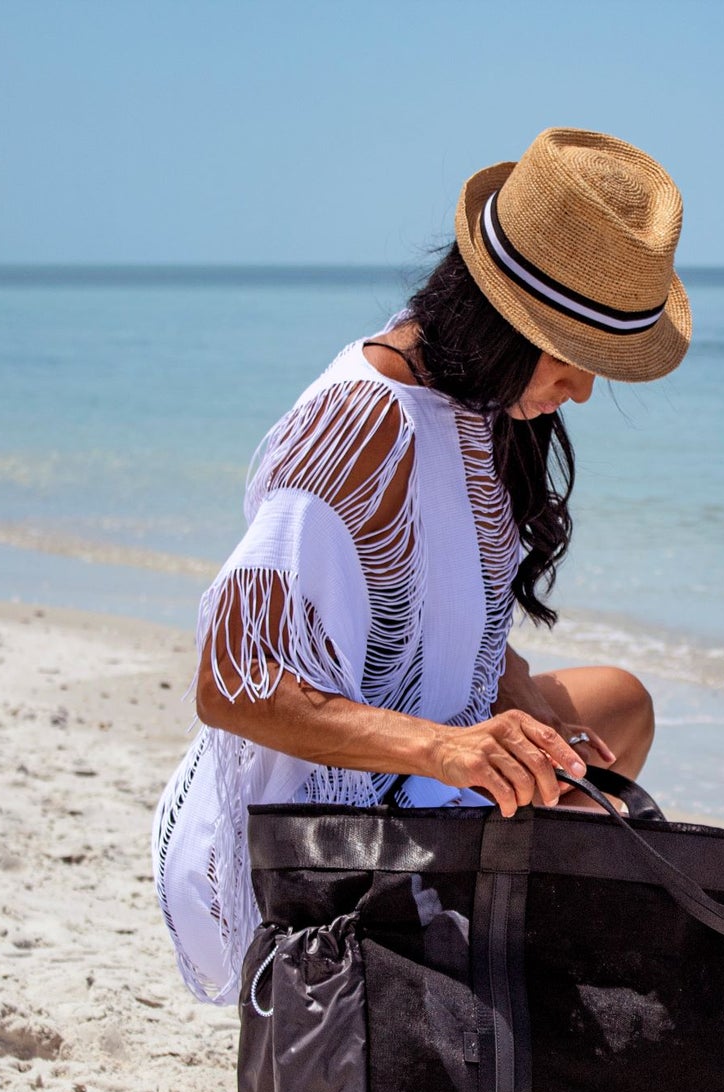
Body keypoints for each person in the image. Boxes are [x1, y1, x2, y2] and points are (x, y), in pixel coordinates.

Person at [152, 127, 692, 1003]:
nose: (585, 391)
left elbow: (448, 618)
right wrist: (450, 749)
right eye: (572, 356)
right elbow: (231, 682)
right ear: (504, 318)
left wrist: (520, 717)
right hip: (309, 847)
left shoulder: (476, 402)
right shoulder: (356, 432)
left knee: (617, 708)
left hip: (421, 771)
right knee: (603, 845)